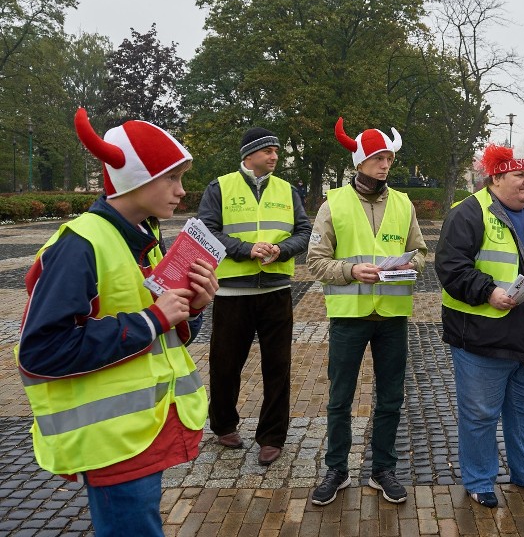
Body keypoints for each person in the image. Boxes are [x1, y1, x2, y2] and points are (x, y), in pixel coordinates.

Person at [15, 108, 218, 536]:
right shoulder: (79, 244)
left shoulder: (143, 239)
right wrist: (151, 318)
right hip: (110, 440)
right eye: (172, 178)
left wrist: (192, 308)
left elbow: (169, 334)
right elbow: (41, 350)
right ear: (135, 179)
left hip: (143, 429)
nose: (182, 191)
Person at [435, 144, 524, 508]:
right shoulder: (469, 212)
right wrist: (488, 291)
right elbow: (450, 266)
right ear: (497, 178)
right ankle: (480, 480)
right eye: (519, 175)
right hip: (483, 338)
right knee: (480, 414)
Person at [307, 117, 427, 506]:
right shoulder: (334, 203)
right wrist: (350, 270)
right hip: (349, 317)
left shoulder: (403, 202)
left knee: (391, 397)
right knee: (340, 398)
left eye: (389, 158)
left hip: (392, 317)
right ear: (359, 162)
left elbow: (422, 252)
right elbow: (315, 260)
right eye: (378, 157)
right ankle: (336, 470)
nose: (385, 164)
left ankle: (382, 469)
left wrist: (409, 267)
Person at [198, 127, 311, 466]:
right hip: (233, 292)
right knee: (224, 364)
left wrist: (281, 249)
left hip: (276, 290)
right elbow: (207, 231)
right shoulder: (220, 187)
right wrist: (247, 250)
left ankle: (272, 437)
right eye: (267, 151)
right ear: (248, 155)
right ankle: (223, 424)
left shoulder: (287, 190)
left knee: (278, 367)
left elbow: (304, 231)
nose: (275, 156)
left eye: (276, 150)